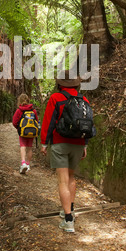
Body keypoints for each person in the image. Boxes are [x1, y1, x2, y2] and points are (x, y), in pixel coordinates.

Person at [41, 71, 89, 233]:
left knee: (62, 181)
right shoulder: (84, 100)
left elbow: (48, 121)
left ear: (61, 84)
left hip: (60, 143)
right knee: (71, 177)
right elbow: (87, 125)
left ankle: (68, 220)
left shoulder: (56, 98)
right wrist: (85, 145)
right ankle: (70, 210)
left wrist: (44, 143)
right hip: (78, 144)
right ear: (77, 84)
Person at [13, 93, 39, 174]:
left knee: (23, 146)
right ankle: (28, 165)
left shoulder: (19, 110)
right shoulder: (33, 110)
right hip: (31, 132)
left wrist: (19, 128)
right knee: (30, 147)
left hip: (23, 132)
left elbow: (14, 122)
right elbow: (37, 121)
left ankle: (23, 163)